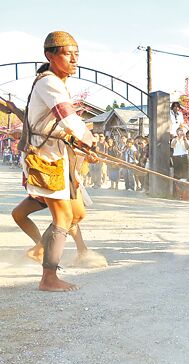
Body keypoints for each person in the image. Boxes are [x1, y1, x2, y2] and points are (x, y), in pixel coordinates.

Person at [20, 31, 98, 291]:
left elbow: (61, 128)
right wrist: (88, 139)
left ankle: (41, 250)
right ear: (50, 55)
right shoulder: (49, 81)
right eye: (68, 54)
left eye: (77, 55)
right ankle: (48, 277)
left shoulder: (57, 82)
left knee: (77, 213)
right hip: (45, 158)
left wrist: (82, 145)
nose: (75, 60)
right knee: (63, 216)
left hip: (59, 156)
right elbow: (67, 117)